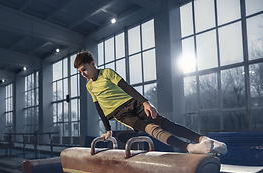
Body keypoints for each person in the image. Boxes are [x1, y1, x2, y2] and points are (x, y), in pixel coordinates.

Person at [74, 50, 227, 154]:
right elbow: (99, 108)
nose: (83, 74)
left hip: (133, 103)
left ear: (93, 64)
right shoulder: (90, 87)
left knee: (163, 122)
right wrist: (108, 130)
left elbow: (126, 87)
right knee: (151, 128)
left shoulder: (107, 73)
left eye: (84, 69)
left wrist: (145, 102)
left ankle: (205, 140)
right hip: (121, 115)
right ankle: (190, 147)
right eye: (80, 72)